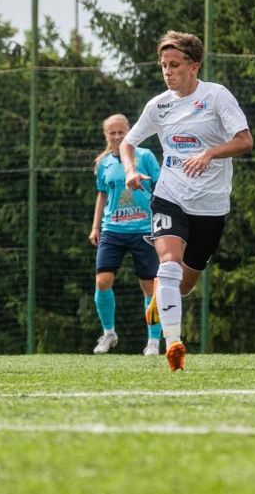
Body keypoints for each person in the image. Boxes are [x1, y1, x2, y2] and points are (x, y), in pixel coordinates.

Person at [121, 31, 252, 372]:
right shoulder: (158, 105)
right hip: (170, 196)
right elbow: (127, 144)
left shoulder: (216, 96)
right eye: (164, 65)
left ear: (194, 67)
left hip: (211, 206)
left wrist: (210, 153)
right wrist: (130, 169)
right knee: (167, 264)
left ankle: (160, 302)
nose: (168, 71)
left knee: (183, 284)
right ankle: (174, 344)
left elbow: (244, 141)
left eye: (175, 65)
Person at [89, 113, 163, 356]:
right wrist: (95, 227)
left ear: (130, 131)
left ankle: (153, 342)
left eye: (122, 132)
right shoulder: (102, 163)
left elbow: (161, 185)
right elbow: (102, 194)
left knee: (149, 287)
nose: (118, 136)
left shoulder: (145, 156)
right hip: (112, 230)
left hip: (144, 230)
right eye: (113, 132)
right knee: (102, 281)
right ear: (106, 135)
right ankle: (109, 333)